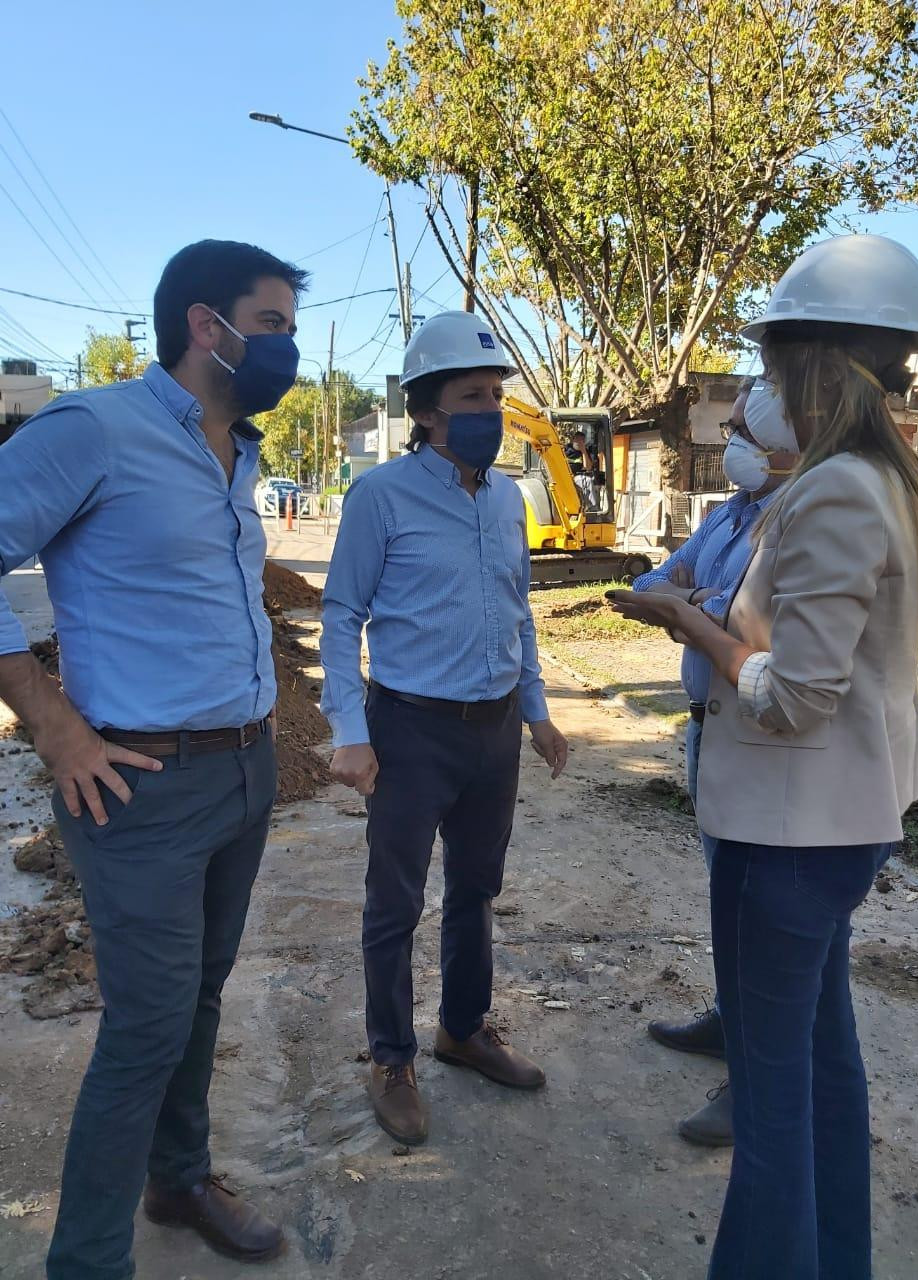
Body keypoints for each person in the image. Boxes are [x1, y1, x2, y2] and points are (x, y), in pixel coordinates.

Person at [608, 233, 918, 1279]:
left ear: (814, 362)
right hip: (827, 824)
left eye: (768, 365)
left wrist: (692, 624)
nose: (758, 390)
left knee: (772, 1095)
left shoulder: (837, 488)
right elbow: (801, 636)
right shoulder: (872, 479)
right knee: (823, 1071)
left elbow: (795, 696)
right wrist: (718, 612)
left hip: (790, 832)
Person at [0, 239, 308, 1279]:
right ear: (203, 326)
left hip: (244, 769)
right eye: (271, 325)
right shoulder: (96, 428)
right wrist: (51, 723)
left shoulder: (243, 446)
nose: (290, 346)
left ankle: (178, 1178)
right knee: (144, 1028)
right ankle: (87, 1261)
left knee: (201, 996)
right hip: (137, 786)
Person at [320, 310, 568, 1147]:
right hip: (410, 730)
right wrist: (350, 731)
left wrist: (536, 713)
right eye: (473, 395)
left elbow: (517, 610)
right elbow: (341, 613)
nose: (491, 410)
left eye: (497, 394)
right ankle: (392, 1059)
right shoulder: (380, 497)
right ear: (426, 411)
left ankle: (462, 1030)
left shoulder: (508, 498)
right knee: (394, 903)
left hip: (492, 730)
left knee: (476, 890)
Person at [634, 377, 798, 1146]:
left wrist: (693, 609)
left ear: (785, 445)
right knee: (726, 893)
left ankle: (755, 1080)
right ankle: (730, 1022)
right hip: (709, 725)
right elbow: (649, 585)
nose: (729, 444)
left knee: (765, 913)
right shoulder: (727, 514)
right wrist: (697, 605)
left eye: (741, 431)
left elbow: (756, 637)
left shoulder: (795, 524)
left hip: (761, 736)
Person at [565, 429, 600, 509]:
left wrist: (583, 451)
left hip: (576, 477)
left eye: (582, 441)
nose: (579, 442)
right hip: (565, 476)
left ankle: (592, 508)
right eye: (578, 440)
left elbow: (588, 467)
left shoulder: (585, 452)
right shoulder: (565, 450)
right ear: (573, 439)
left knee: (587, 481)